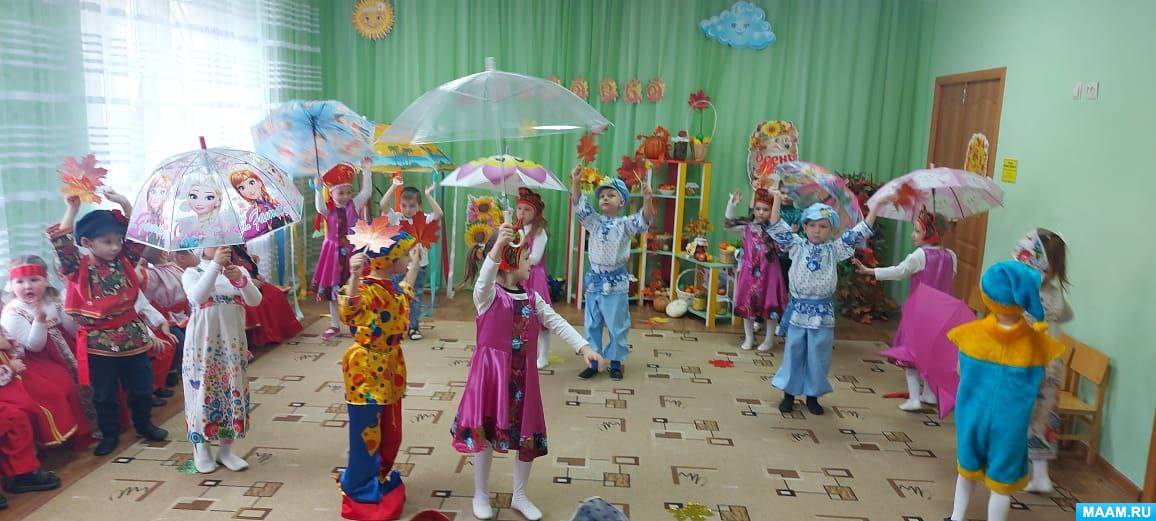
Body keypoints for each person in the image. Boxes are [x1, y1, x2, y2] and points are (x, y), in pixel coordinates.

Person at [451, 223, 603, 521]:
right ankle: (481, 493)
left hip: (524, 379)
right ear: (508, 263)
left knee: (526, 435)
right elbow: (483, 279)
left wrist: (583, 347)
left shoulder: (532, 298)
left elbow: (556, 321)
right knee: (486, 433)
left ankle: (519, 495)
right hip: (491, 378)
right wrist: (498, 246)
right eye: (524, 258)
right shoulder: (487, 296)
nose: (531, 263)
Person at [46, 195, 169, 456]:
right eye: (107, 242)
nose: (115, 247)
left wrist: (125, 203)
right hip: (99, 342)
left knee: (142, 388)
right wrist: (72, 209)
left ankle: (144, 425)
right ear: (87, 243)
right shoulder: (77, 268)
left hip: (133, 336)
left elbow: (137, 232)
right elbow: (63, 245)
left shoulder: (125, 259)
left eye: (118, 241)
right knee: (104, 394)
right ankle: (110, 434)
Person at [945, 260, 1064, 521]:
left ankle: (956, 517)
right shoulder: (1038, 345)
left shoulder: (970, 334)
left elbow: (959, 371)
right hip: (1011, 425)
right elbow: (1042, 386)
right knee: (1001, 486)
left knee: (966, 472)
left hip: (972, 417)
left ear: (988, 296)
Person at [764, 190, 885, 415]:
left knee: (818, 356)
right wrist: (777, 199)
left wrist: (876, 207)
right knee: (794, 352)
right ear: (804, 226)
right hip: (798, 311)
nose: (817, 230)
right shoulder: (796, 245)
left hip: (822, 314)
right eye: (812, 225)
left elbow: (860, 232)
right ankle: (789, 394)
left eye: (823, 226)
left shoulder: (835, 249)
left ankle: (813, 396)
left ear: (831, 230)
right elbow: (775, 226)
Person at [336, 226, 421, 521]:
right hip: (365, 369)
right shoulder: (367, 288)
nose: (408, 261)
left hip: (391, 367)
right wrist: (354, 275)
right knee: (367, 432)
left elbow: (405, 295)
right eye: (405, 256)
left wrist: (414, 268)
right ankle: (359, 488)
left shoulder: (391, 288)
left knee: (391, 432)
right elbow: (349, 311)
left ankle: (379, 476)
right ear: (387, 260)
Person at [854, 207, 956, 411]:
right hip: (942, 316)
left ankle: (914, 399)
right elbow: (950, 277)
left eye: (917, 231)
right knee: (930, 355)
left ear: (930, 233)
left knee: (911, 355)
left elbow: (898, 272)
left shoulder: (919, 255)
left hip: (919, 315)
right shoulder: (951, 255)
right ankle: (929, 394)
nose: (913, 235)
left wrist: (869, 271)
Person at [181, 246, 262, 473]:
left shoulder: (237, 271)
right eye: (213, 242)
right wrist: (215, 265)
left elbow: (255, 301)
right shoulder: (193, 272)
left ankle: (226, 450)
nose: (221, 245)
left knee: (231, 393)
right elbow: (197, 296)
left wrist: (241, 281)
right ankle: (201, 448)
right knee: (202, 393)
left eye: (224, 240)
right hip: (202, 347)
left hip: (232, 346)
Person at [570, 166, 654, 381]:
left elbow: (644, 219)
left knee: (617, 325)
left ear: (622, 202)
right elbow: (579, 205)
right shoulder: (594, 222)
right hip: (594, 282)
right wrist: (576, 182)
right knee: (592, 323)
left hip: (615, 284)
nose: (605, 198)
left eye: (611, 195)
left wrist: (647, 199)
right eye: (602, 196)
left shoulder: (625, 225)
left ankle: (615, 362)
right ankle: (594, 360)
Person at [1, 256, 87, 445]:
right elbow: (34, 346)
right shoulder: (14, 312)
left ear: (45, 281)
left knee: (87, 378)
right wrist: (39, 321)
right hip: (37, 361)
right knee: (64, 386)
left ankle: (91, 426)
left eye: (34, 280)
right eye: (20, 282)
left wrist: (69, 309)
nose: (27, 286)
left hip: (64, 350)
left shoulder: (52, 301)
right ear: (11, 286)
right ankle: (71, 433)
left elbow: (72, 330)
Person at [1014, 229, 1073, 494]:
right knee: (1043, 418)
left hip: (1028, 364)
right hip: (1052, 365)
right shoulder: (1055, 295)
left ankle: (1013, 468)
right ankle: (1041, 475)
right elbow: (1066, 315)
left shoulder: (1026, 293)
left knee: (1020, 415)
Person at [312, 159, 373, 341]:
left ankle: (356, 322)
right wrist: (317, 188)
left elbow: (366, 192)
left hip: (353, 251)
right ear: (331, 193)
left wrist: (367, 171)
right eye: (341, 193)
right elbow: (319, 207)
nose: (346, 196)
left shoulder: (354, 204)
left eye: (348, 192)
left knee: (355, 287)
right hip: (332, 253)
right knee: (333, 290)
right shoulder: (327, 209)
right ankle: (335, 324)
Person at [380, 178, 444, 341]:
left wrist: (428, 195)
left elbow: (439, 214)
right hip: (399, 267)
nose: (408, 209)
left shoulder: (424, 218)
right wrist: (394, 185)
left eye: (412, 206)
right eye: (404, 205)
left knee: (415, 297)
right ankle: (396, 326)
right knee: (396, 295)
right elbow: (383, 204)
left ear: (419, 206)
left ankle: (413, 327)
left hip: (420, 266)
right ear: (400, 205)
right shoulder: (396, 218)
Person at [725, 185, 787, 352]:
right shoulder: (747, 225)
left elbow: (776, 222)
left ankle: (769, 340)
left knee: (770, 306)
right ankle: (749, 337)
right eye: (758, 209)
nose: (760, 212)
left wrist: (777, 198)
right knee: (748, 305)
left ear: (772, 210)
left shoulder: (774, 227)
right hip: (749, 273)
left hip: (770, 274)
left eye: (765, 209)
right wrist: (732, 203)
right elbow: (729, 224)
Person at [508, 188, 555, 369]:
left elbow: (534, 258)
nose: (522, 213)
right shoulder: (514, 229)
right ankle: (520, 351)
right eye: (519, 208)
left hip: (534, 277)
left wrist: (517, 252)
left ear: (536, 213)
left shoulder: (539, 232)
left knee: (540, 318)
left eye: (527, 210)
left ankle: (543, 356)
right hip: (519, 276)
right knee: (519, 316)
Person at [140, 248, 200, 387]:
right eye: (160, 252)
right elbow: (139, 281)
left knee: (193, 335)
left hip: (181, 314)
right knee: (179, 340)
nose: (165, 253)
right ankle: (172, 372)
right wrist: (142, 260)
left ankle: (190, 368)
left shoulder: (174, 267)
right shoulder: (152, 273)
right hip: (164, 317)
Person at [230, 245, 303, 347]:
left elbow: (247, 263)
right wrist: (250, 281)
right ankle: (264, 337)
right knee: (261, 302)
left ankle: (280, 332)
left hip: (248, 281)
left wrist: (256, 275)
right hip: (236, 287)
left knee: (276, 294)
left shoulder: (235, 246)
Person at [231, 169, 290, 241]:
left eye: (251, 183)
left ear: (259, 182)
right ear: (240, 192)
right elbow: (249, 236)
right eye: (242, 188)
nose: (249, 189)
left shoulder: (274, 202)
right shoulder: (251, 213)